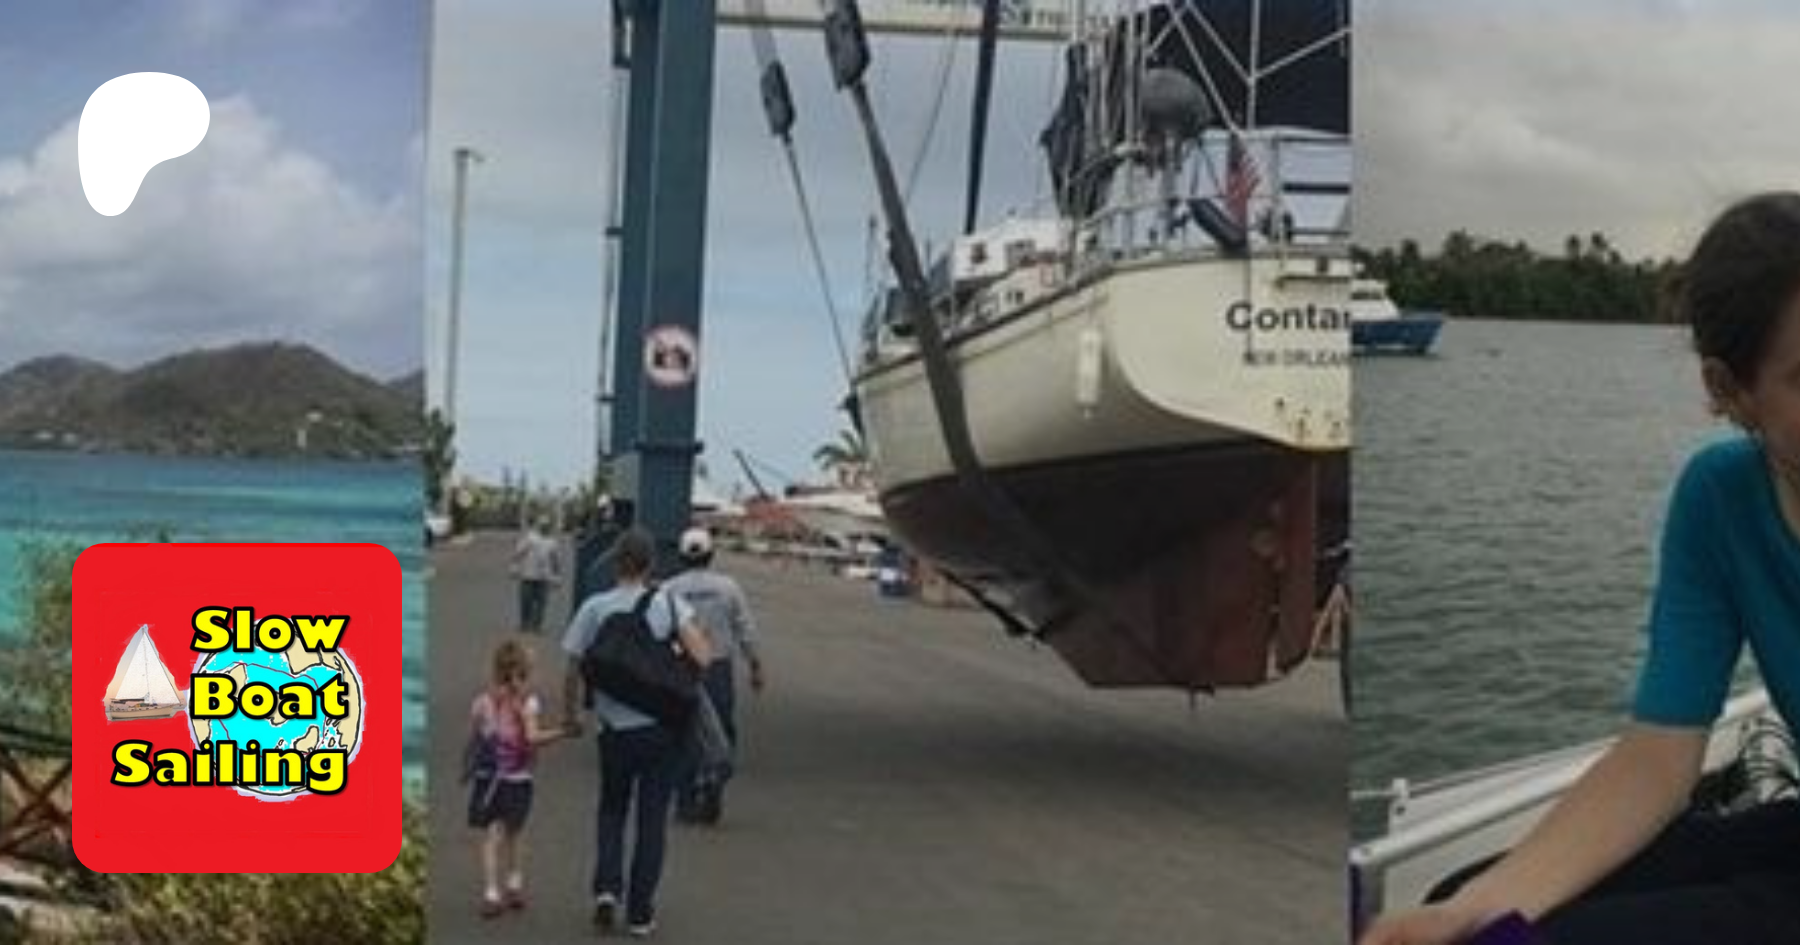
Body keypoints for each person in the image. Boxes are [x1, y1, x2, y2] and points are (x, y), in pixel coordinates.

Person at [1361, 193, 1800, 944]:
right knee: (1467, 908)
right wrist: (1479, 906)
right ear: (1729, 390)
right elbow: (1660, 756)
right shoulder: (1720, 498)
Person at [561, 527, 714, 938]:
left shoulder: (595, 607)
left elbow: (573, 668)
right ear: (651, 564)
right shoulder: (669, 603)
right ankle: (640, 913)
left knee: (612, 810)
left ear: (616, 562)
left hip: (614, 731)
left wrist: (571, 716)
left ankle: (606, 891)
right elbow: (703, 656)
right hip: (661, 731)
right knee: (651, 821)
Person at [662, 526, 765, 824]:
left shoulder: (669, 589)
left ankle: (684, 800)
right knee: (721, 730)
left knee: (683, 733)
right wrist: (755, 665)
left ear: (682, 556)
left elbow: (659, 632)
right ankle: (714, 785)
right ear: (711, 554)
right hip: (717, 666)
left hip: (681, 668)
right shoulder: (728, 587)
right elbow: (745, 628)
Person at [465, 638, 571, 918]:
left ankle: (491, 891)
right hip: (517, 779)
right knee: (514, 833)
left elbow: (474, 738)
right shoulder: (528, 704)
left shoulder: (482, 702)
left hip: (487, 779)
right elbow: (533, 739)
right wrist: (562, 732)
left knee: (491, 836)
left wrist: (469, 765)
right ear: (524, 675)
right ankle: (514, 882)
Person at [511, 516, 562, 633]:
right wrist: (514, 566)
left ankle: (537, 626)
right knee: (526, 602)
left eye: (547, 526)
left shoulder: (552, 543)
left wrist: (557, 576)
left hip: (544, 577)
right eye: (543, 525)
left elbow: (555, 560)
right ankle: (525, 624)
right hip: (528, 575)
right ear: (538, 526)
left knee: (541, 604)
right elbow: (518, 553)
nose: (545, 528)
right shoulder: (529, 539)